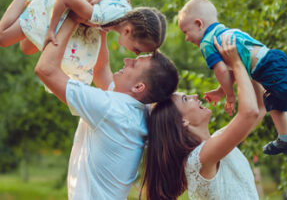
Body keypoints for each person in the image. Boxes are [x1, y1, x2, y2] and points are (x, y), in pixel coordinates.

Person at [177, 0, 287, 155]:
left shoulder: (207, 43)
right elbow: (232, 70)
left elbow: (222, 71)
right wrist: (220, 91)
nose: (186, 38)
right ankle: (286, 139)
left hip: (267, 66)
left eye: (186, 32)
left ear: (199, 24)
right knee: (273, 101)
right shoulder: (224, 32)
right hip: (270, 62)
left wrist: (230, 96)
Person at [34, 10, 179, 199]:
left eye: (133, 64)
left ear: (138, 87)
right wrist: (104, 24)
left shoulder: (112, 109)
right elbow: (101, 71)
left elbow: (45, 70)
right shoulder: (134, 109)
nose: (126, 60)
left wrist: (72, 17)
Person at [1, 0, 166, 85]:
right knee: (3, 38)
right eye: (137, 49)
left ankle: (32, 3)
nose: (135, 53)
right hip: (55, 1)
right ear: (128, 31)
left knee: (27, 47)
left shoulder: (123, 10)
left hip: (65, 4)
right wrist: (51, 29)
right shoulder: (101, 17)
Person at [141, 34, 265, 200]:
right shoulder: (199, 159)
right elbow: (249, 113)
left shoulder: (216, 141)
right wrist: (236, 63)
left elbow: (260, 106)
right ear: (182, 121)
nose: (194, 96)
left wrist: (246, 64)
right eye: (186, 99)